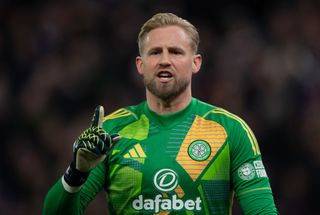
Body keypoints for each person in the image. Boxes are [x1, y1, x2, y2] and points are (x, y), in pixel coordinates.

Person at [43, 13, 278, 214]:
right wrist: (77, 172)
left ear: (196, 63)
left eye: (175, 52)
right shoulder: (111, 132)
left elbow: (262, 211)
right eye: (155, 52)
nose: (165, 60)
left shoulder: (229, 130)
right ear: (140, 65)